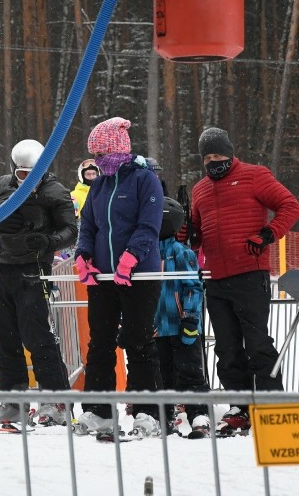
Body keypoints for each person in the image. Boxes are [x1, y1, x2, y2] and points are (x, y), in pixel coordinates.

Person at [191, 127, 299, 436]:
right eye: (208, 157)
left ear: (230, 153)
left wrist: (267, 234)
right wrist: (189, 235)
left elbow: (290, 206)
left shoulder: (255, 175)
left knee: (257, 342)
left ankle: (269, 402)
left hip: (249, 274)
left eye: (219, 155)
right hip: (216, 278)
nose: (214, 162)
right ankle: (238, 405)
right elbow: (196, 232)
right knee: (226, 347)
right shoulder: (200, 189)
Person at [73, 117, 165, 437]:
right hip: (104, 277)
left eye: (101, 155)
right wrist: (84, 256)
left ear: (116, 150)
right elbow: (88, 225)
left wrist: (132, 257)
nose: (98, 162)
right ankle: (98, 411)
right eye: (94, 157)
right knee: (100, 343)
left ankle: (146, 412)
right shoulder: (99, 185)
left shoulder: (144, 180)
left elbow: (149, 224)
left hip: (138, 275)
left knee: (139, 341)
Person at [0, 139, 77, 425]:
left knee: (38, 337)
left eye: (32, 174)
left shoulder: (55, 191)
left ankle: (56, 399)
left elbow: (71, 229)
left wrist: (48, 240)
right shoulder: (0, 186)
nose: (26, 180)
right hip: (2, 271)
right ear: (13, 170)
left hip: (34, 272)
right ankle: (13, 398)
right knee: (3, 338)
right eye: (21, 175)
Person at [154, 196, 212, 438]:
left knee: (190, 372)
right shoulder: (145, 251)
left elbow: (193, 285)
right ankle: (165, 416)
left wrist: (190, 316)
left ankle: (199, 415)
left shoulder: (181, 252)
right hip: (157, 327)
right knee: (163, 373)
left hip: (181, 325)